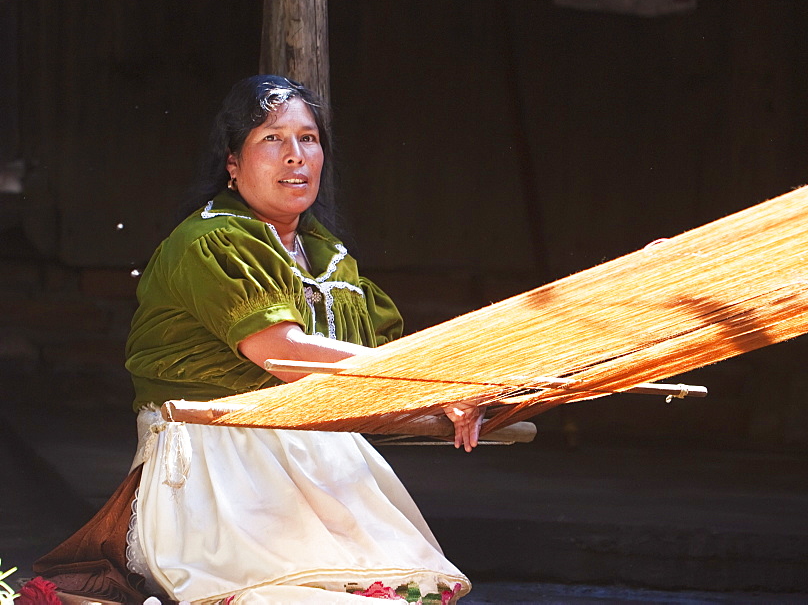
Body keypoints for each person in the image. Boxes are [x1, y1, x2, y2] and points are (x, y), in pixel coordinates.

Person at [32, 75, 480, 604]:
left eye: (308, 139)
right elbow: (282, 352)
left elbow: (379, 358)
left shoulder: (329, 259)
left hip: (320, 472)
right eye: (272, 138)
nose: (296, 156)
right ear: (232, 162)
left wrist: (461, 395)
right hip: (218, 477)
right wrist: (431, 382)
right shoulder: (211, 242)